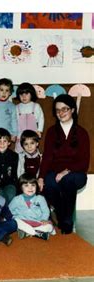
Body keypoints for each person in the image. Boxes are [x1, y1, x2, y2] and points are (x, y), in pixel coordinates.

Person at [38, 94, 90, 234]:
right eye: (57, 110)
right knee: (49, 182)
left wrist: (66, 171)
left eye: (64, 109)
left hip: (76, 174)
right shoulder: (51, 132)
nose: (61, 113)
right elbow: (47, 157)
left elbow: (84, 162)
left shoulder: (82, 133)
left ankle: (66, 220)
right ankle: (61, 217)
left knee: (68, 181)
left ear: (72, 110)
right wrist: (41, 176)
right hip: (54, 172)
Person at [9, 174, 55, 240]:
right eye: (26, 185)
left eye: (33, 185)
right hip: (23, 220)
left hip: (37, 221)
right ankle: (36, 233)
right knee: (16, 221)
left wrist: (44, 219)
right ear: (21, 187)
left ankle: (30, 232)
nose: (30, 188)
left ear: (36, 186)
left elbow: (45, 211)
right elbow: (9, 210)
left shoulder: (40, 198)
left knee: (49, 227)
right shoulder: (17, 199)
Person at [0, 127, 18, 204]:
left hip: (9, 183)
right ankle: (4, 212)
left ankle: (5, 212)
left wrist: (15, 184)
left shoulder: (14, 156)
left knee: (11, 194)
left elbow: (15, 173)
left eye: (5, 141)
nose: (2, 144)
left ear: (9, 143)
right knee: (0, 196)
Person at [14, 82, 44, 152]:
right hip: (20, 136)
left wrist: (39, 130)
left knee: (33, 153)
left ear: (32, 94)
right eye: (21, 94)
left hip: (32, 136)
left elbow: (41, 118)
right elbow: (14, 121)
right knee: (19, 153)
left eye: (26, 94)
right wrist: (14, 133)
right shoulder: (17, 107)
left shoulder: (36, 106)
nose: (24, 97)